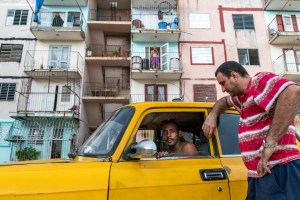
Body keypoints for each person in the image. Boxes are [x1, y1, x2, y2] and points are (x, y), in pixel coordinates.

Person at [202, 61, 300, 199]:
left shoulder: (258, 81)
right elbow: (223, 102)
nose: (223, 89)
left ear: (234, 76)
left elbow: (293, 91)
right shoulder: (241, 98)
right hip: (258, 173)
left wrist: (270, 143)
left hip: (278, 168)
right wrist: (212, 115)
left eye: (223, 83)